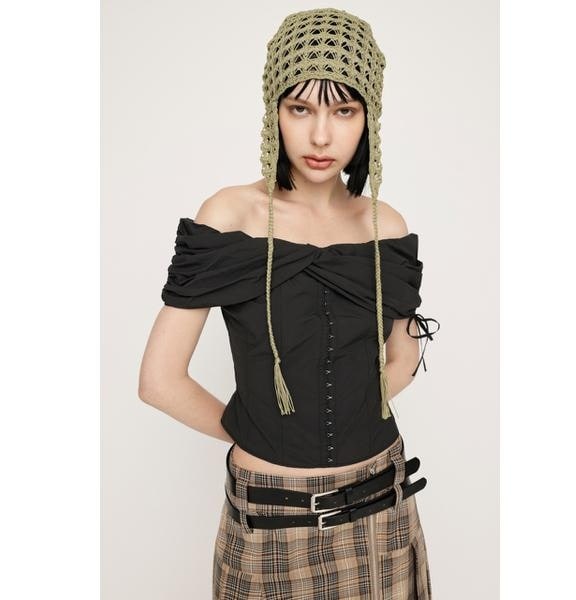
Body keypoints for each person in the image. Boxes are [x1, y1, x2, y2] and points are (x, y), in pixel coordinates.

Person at [139, 7, 440, 599]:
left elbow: (401, 361)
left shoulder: (386, 225)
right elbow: (159, 381)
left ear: (369, 117)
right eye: (300, 108)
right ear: (273, 111)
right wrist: (262, 433)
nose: (321, 136)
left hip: (382, 511)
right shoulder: (230, 216)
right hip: (269, 522)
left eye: (344, 110)